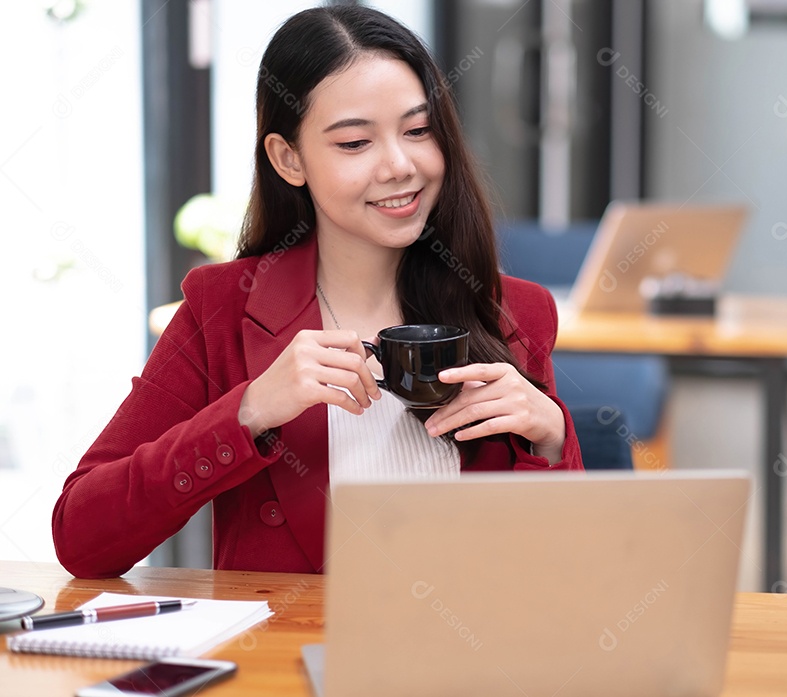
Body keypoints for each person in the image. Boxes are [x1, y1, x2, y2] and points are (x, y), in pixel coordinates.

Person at [53, 5, 583, 579]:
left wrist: (550, 438)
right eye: (356, 143)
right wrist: (250, 410)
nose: (400, 164)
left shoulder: (511, 312)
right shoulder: (223, 310)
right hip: (288, 664)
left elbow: (561, 574)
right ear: (288, 158)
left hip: (469, 660)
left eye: (418, 130)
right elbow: (81, 538)